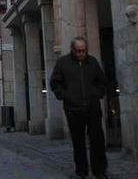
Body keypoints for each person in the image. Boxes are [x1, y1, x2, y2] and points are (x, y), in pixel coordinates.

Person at [50, 36, 108, 179]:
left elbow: (102, 81)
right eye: (78, 51)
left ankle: (99, 170)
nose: (81, 53)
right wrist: (63, 95)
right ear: (72, 50)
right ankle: (81, 171)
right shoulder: (63, 63)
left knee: (97, 140)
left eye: (84, 51)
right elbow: (55, 82)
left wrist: (98, 93)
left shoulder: (92, 62)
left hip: (92, 107)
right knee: (78, 142)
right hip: (73, 109)